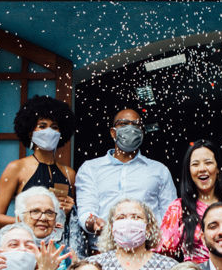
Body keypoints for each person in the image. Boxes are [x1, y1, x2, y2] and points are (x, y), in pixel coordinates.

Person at [75, 106, 177, 251]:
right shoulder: (90, 169)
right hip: (103, 251)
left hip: (149, 252)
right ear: (112, 132)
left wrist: (161, 246)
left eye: (136, 125)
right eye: (123, 124)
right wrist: (93, 222)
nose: (131, 129)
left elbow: (170, 216)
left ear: (142, 133)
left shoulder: (159, 171)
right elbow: (86, 210)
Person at [0, 96, 76, 231]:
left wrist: (70, 209)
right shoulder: (17, 168)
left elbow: (69, 221)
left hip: (59, 245)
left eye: (54, 127)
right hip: (27, 243)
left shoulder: (69, 173)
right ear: (30, 132)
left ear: (61, 133)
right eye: (42, 126)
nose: (49, 131)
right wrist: (29, 223)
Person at [158, 141, 222, 264]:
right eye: (195, 164)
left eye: (208, 163)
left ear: (218, 168)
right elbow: (163, 255)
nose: (202, 169)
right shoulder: (179, 208)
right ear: (189, 171)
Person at [14, 185, 69, 251]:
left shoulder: (66, 254)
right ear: (19, 219)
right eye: (35, 211)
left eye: (49, 212)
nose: (43, 218)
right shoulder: (9, 253)